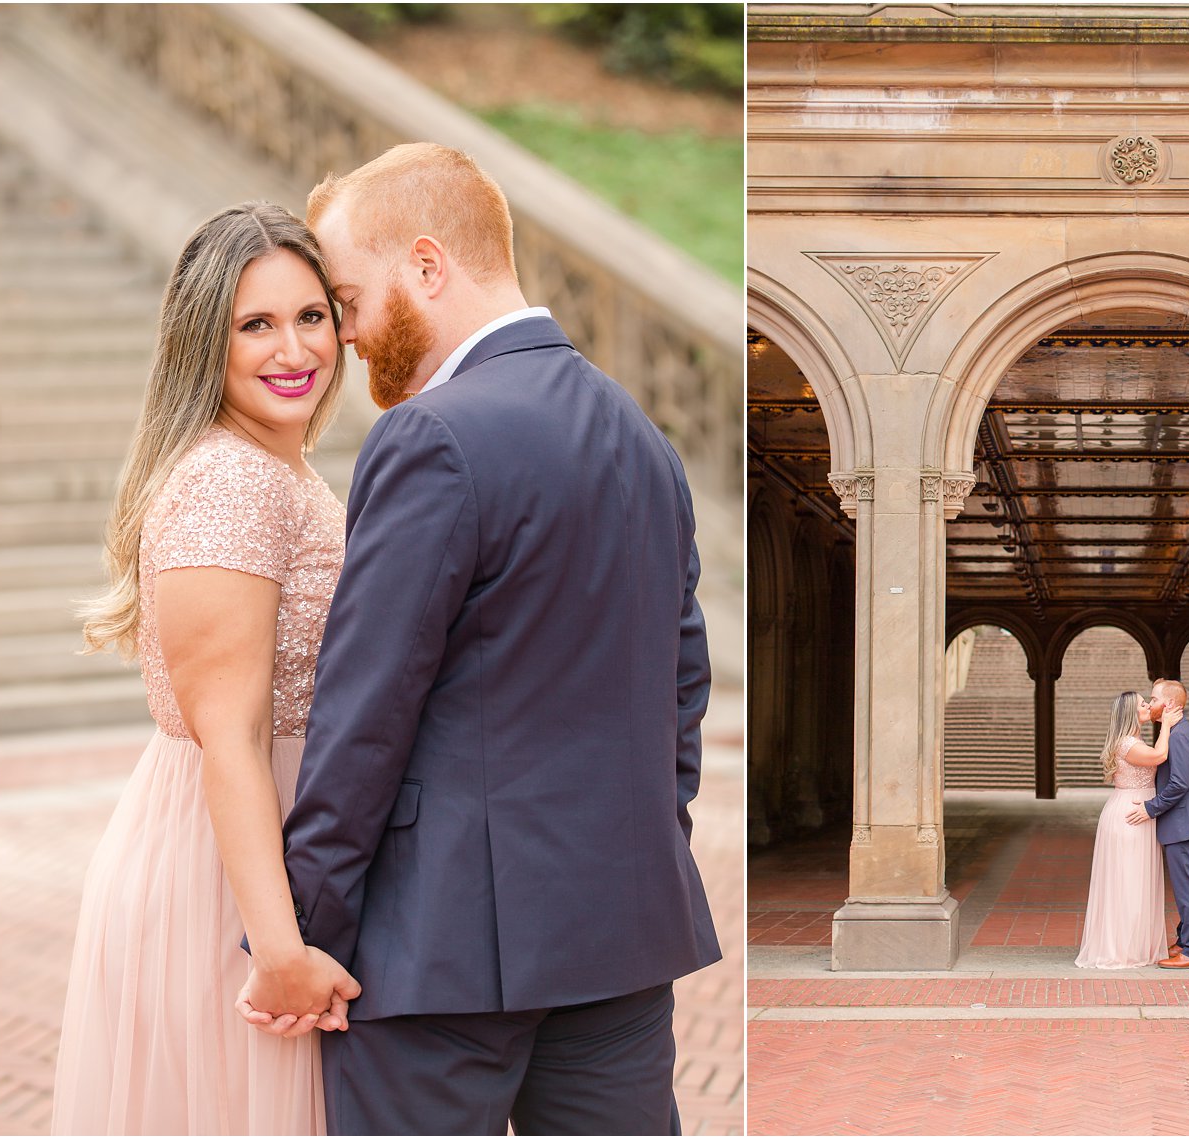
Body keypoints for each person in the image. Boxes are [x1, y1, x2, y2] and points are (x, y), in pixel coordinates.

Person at [236, 142, 722, 1136]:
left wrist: (305, 935)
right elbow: (681, 684)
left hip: (436, 956)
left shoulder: (430, 437)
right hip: (620, 938)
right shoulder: (643, 437)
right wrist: (637, 847)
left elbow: (364, 712)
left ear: (426, 264)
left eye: (351, 297)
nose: (351, 334)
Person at [53, 203, 360, 1135]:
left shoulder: (279, 467)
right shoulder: (233, 478)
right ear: (204, 340)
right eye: (255, 324)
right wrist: (275, 948)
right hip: (229, 875)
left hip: (254, 847)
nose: (291, 348)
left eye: (311, 316)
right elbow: (230, 731)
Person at [1075, 692, 1183, 969]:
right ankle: (1121, 949)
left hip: (1138, 813)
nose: (1148, 705)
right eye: (1143, 704)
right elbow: (1160, 756)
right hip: (1129, 816)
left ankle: (1136, 945)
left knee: (1137, 882)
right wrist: (1168, 724)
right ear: (1130, 714)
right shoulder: (1127, 744)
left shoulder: (1134, 741)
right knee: (1128, 883)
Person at [1126, 678, 1189, 968]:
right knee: (1184, 886)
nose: (1150, 704)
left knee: (1188, 887)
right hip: (1180, 822)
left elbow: (1178, 784)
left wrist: (1151, 808)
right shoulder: (1174, 732)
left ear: (1171, 704)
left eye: (1153, 698)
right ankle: (1186, 940)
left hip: (1183, 822)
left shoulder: (1180, 735)